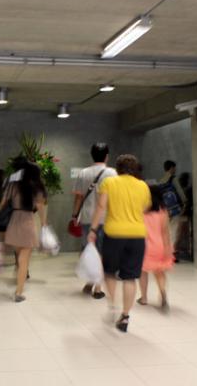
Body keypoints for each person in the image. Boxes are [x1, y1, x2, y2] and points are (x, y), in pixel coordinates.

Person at [88, 154, 151, 333]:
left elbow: (101, 207)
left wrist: (93, 229)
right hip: (137, 235)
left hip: (114, 233)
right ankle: (125, 315)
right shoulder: (143, 186)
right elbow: (145, 208)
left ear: (118, 168)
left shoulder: (109, 182)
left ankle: (112, 306)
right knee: (130, 277)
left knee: (109, 272)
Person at [0, 159, 47, 302]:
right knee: (24, 261)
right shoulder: (36, 187)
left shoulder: (13, 185)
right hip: (27, 222)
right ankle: (18, 292)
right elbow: (40, 206)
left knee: (19, 258)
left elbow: (3, 203)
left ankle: (19, 279)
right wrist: (44, 223)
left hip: (14, 222)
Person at [71, 142, 117, 299]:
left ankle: (90, 283)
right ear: (107, 156)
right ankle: (98, 287)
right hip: (106, 218)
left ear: (92, 155)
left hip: (87, 218)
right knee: (102, 251)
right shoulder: (112, 173)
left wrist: (74, 215)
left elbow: (78, 197)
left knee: (89, 250)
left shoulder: (83, 173)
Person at [137, 185, 174, 309]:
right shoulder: (163, 211)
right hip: (160, 245)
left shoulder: (142, 211)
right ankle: (162, 292)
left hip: (144, 245)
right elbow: (165, 232)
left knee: (143, 271)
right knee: (159, 272)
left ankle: (144, 298)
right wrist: (168, 248)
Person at [159, 160, 187, 259]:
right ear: (171, 168)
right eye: (174, 168)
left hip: (166, 210)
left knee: (167, 231)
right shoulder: (173, 179)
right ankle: (171, 253)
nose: (175, 170)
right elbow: (180, 192)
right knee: (174, 231)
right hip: (176, 209)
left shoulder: (161, 181)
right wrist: (184, 203)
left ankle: (165, 251)